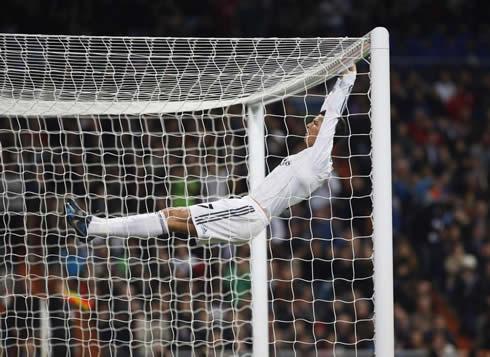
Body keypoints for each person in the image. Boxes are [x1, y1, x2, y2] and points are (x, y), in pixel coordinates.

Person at [66, 65, 357, 245]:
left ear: (329, 138)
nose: (311, 123)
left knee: (171, 215)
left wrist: (347, 79)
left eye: (316, 124)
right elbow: (325, 114)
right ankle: (93, 227)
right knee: (170, 219)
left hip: (251, 211)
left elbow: (330, 113)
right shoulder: (312, 157)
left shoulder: (321, 158)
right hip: (249, 213)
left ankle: (94, 226)